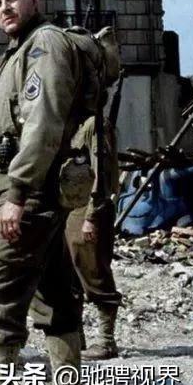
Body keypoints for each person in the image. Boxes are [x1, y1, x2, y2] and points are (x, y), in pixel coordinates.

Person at [0, 0, 103, 385]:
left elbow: (42, 124)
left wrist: (16, 193)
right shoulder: (21, 50)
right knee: (56, 298)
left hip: (31, 197)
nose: (5, 8)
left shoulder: (44, 44)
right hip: (40, 195)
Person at [65, 110, 122, 360]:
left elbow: (101, 174)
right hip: (70, 209)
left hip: (89, 209)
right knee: (71, 275)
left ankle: (106, 341)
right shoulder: (71, 124)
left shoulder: (94, 125)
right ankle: (75, 338)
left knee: (95, 271)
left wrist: (91, 216)